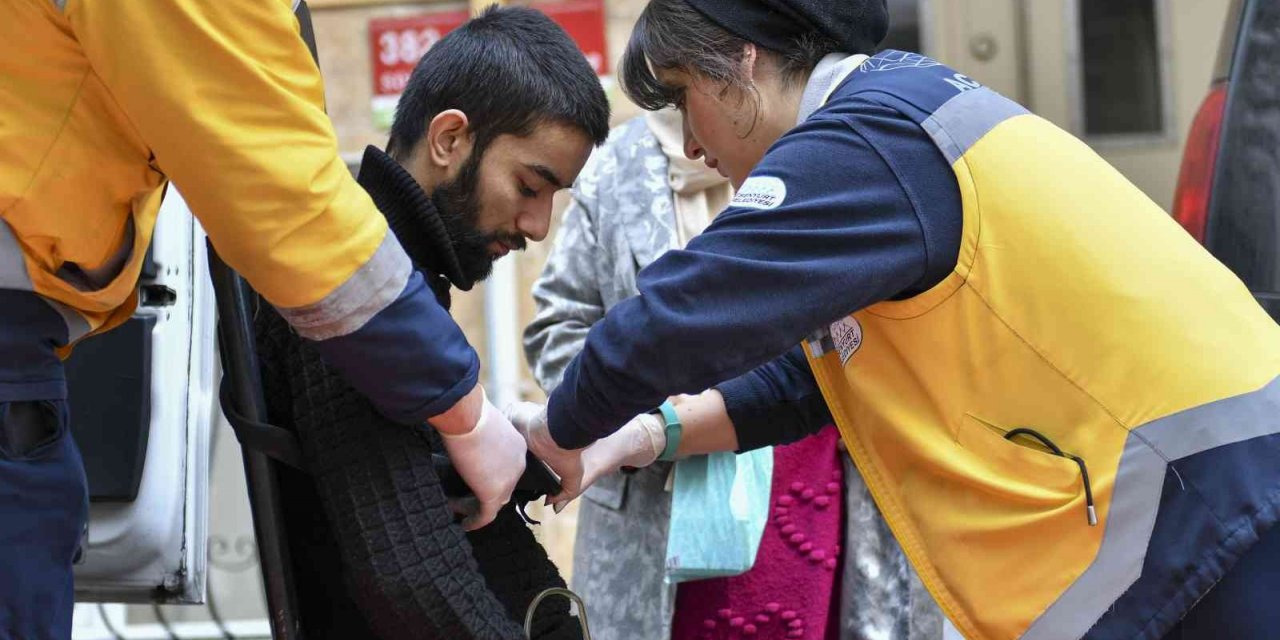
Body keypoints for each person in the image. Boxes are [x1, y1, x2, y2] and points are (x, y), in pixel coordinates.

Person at [504, 1, 1280, 638]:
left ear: (741, 61)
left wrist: (556, 431)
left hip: (1209, 515)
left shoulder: (861, 141)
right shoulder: (902, 106)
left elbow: (683, 314)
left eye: (682, 98)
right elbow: (811, 375)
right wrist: (633, 437)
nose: (694, 141)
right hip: (1212, 499)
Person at [0, 2, 606, 638]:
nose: (538, 227)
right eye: (531, 188)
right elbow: (411, 575)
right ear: (450, 139)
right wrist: (467, 413)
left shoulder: (411, 286)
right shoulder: (357, 321)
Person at [524, 108, 941, 639]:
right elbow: (557, 323)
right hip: (653, 496)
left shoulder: (828, 156)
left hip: (809, 482)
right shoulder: (614, 169)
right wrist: (628, 405)